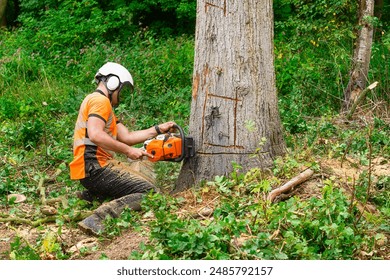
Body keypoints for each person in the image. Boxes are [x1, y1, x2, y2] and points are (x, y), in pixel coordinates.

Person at [69, 62, 175, 235]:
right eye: (122, 89)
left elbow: (127, 137)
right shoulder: (100, 101)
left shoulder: (101, 104)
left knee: (132, 186)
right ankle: (97, 219)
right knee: (149, 192)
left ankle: (92, 196)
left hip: (89, 170)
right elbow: (95, 134)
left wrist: (157, 130)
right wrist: (127, 151)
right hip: (96, 167)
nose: (121, 95)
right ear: (113, 82)